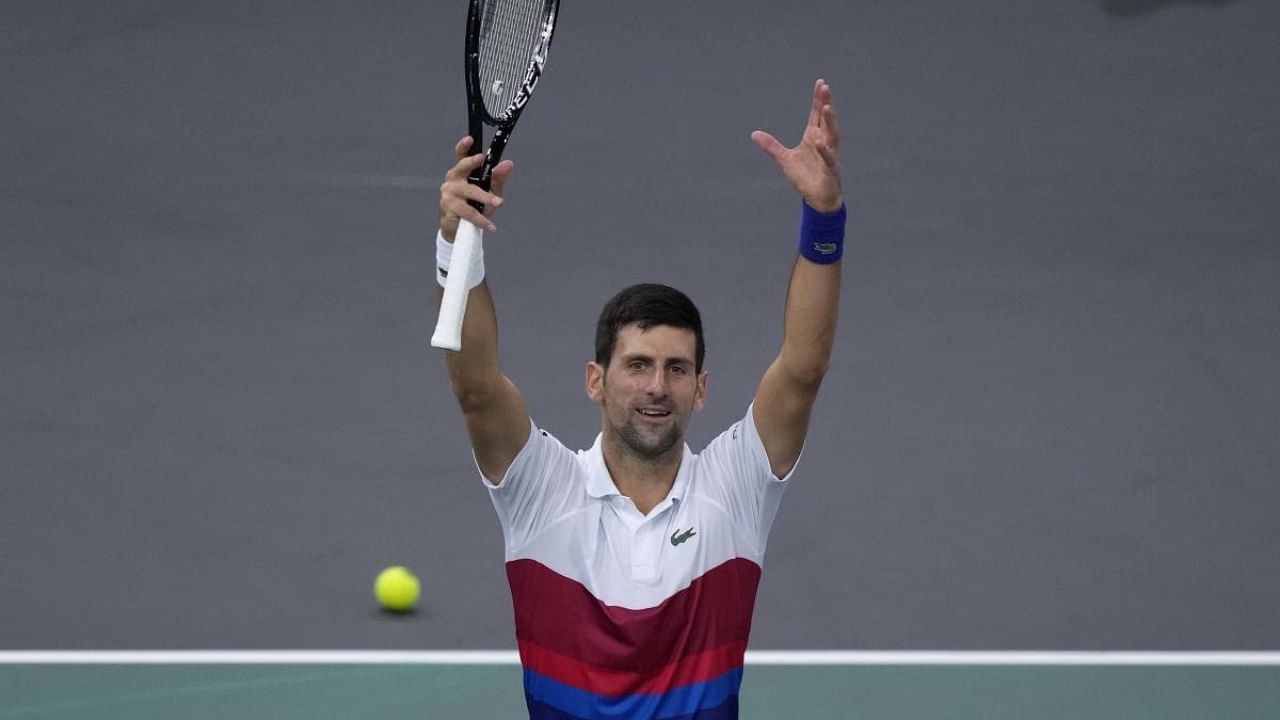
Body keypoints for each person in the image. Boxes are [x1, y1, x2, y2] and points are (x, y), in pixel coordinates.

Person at [434, 79, 845, 720]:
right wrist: (456, 244)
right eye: (638, 366)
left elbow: (802, 370)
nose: (657, 387)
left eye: (677, 369)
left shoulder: (734, 491)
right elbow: (477, 389)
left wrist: (824, 219)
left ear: (702, 390)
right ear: (595, 380)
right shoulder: (544, 490)